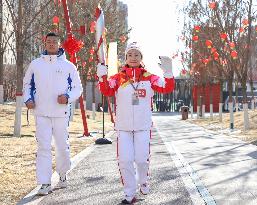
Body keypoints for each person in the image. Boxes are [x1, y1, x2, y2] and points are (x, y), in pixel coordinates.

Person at [97, 42, 175, 204]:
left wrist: (168, 72)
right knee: (124, 160)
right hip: (123, 127)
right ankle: (129, 194)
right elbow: (106, 90)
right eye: (130, 55)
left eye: (136, 55)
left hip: (142, 127)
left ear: (141, 58)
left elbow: (166, 88)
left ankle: (143, 181)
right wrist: (101, 77)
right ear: (125, 58)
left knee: (141, 159)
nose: (133, 58)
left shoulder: (149, 77)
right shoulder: (118, 78)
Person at [23, 32, 83, 195]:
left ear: (59, 44)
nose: (51, 44)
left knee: (62, 146)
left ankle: (62, 174)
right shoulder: (35, 64)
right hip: (41, 112)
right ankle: (44, 182)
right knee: (43, 146)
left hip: (61, 113)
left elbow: (78, 88)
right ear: (45, 43)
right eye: (48, 41)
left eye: (54, 42)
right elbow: (27, 84)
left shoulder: (68, 66)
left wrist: (68, 97)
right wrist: (28, 99)